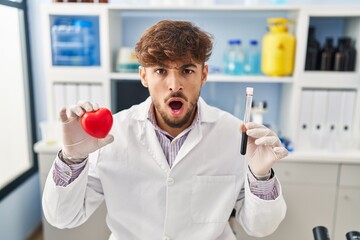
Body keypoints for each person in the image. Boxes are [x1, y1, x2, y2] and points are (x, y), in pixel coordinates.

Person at [42, 20, 288, 240]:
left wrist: (261, 177)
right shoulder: (111, 135)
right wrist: (72, 159)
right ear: (144, 76)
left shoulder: (236, 136)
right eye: (161, 71)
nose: (174, 85)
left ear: (203, 74)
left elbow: (260, 228)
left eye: (187, 70)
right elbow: (62, 217)